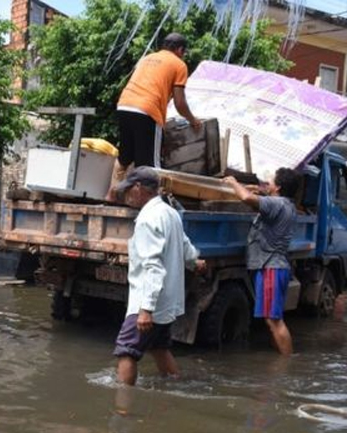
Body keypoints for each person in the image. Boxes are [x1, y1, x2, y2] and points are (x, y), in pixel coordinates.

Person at [112, 166, 206, 386]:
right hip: (166, 301)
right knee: (159, 348)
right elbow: (185, 246)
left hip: (148, 302)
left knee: (126, 351)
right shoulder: (170, 213)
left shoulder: (147, 219)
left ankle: (123, 409)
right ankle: (176, 388)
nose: (126, 196)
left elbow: (153, 267)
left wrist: (146, 309)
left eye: (128, 190)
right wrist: (195, 261)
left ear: (138, 188)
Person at [108, 33, 201, 201]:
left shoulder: (147, 58)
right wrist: (193, 121)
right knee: (151, 167)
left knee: (124, 158)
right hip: (147, 110)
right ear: (180, 50)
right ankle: (147, 206)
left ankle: (110, 197)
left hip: (124, 104)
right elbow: (180, 103)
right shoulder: (179, 64)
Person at [222, 168, 302, 356]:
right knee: (272, 318)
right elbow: (260, 197)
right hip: (276, 266)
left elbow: (247, 199)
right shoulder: (287, 204)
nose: (268, 183)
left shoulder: (277, 204)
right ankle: (282, 362)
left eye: (271, 181)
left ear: (279, 187)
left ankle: (287, 364)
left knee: (274, 320)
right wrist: (255, 188)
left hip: (270, 267)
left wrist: (233, 183)